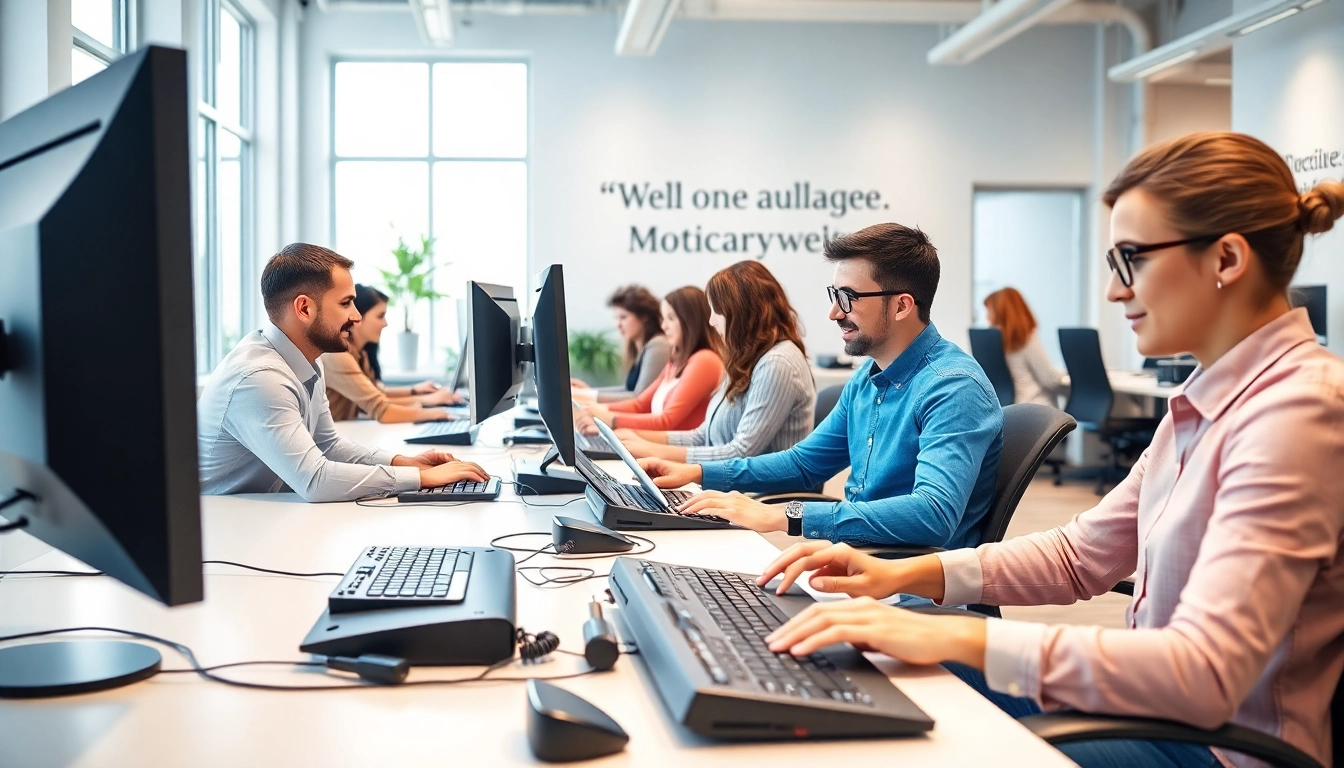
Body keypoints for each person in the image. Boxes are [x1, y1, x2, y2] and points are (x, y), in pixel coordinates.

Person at [755, 133, 1344, 768]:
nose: (1116, 292)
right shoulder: (1207, 398)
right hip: (1156, 712)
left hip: (1215, 749)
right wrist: (908, 577)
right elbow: (1079, 555)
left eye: (1130, 261)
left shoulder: (1298, 413)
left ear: (1227, 259)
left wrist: (957, 632)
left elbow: (1205, 671)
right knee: (875, 664)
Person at [640, 223, 1003, 548]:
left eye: (848, 298)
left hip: (910, 594)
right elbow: (805, 464)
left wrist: (787, 515)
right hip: (856, 564)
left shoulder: (954, 388)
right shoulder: (867, 377)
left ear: (902, 306)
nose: (834, 313)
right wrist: (702, 474)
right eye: (834, 295)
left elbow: (932, 514)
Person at [197, 243, 489, 502]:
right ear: (304, 308)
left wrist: (403, 462)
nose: (357, 316)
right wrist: (420, 478)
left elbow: (328, 446)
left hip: (253, 516)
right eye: (345, 302)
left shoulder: (307, 360)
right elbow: (315, 481)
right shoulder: (260, 378)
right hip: (218, 527)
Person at [616, 261, 815, 462]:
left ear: (740, 312)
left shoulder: (777, 363)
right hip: (730, 487)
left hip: (760, 493)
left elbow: (742, 452)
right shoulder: (745, 359)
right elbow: (703, 436)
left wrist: (654, 451)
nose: (711, 321)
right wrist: (635, 438)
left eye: (716, 311)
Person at [575, 286, 724, 433]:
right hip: (656, 445)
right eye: (663, 319)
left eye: (671, 318)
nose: (664, 326)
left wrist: (610, 418)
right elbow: (639, 405)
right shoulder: (674, 364)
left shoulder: (705, 360)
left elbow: (666, 421)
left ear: (690, 321)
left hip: (670, 451)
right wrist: (594, 409)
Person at [321, 284, 461, 423]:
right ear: (358, 317)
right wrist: (430, 407)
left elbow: (377, 392)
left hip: (345, 433)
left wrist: (415, 391)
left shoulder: (360, 354)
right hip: (331, 439)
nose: (385, 323)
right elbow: (381, 409)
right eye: (380, 316)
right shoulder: (337, 355)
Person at [571, 285, 671, 403]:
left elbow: (639, 397)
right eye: (617, 318)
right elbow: (628, 389)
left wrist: (585, 396)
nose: (618, 325)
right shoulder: (640, 348)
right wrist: (587, 392)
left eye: (623, 317)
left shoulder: (658, 345)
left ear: (644, 317)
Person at [983, 287, 1068, 407]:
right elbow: (1050, 380)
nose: (987, 317)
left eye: (989, 311)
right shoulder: (1025, 339)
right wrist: (1074, 384)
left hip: (1011, 410)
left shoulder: (994, 343)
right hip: (1038, 409)